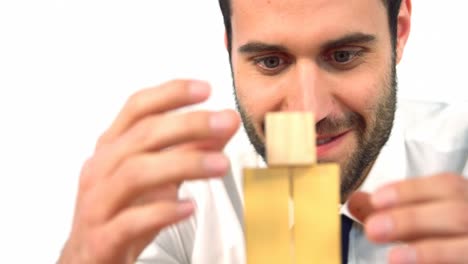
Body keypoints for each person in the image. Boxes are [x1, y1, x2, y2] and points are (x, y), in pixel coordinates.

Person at [57, 0, 468, 263]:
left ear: (398, 33)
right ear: (230, 51)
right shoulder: (178, 194)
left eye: (343, 56)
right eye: (271, 62)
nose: (308, 112)